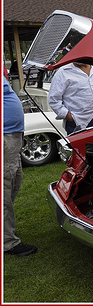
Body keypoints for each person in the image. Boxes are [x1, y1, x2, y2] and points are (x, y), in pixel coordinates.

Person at [3, 75, 38, 257]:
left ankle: (5, 232)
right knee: (4, 190)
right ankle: (7, 243)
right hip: (5, 138)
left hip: (13, 137)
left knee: (14, 182)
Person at [48, 62, 93, 134]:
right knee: (79, 145)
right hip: (77, 122)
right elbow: (54, 99)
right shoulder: (63, 72)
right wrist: (68, 116)